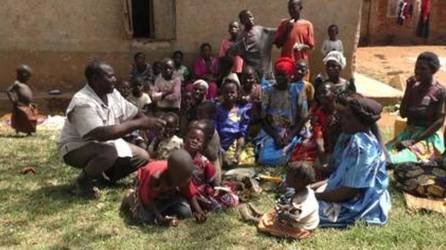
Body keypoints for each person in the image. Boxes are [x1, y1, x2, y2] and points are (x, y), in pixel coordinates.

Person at [58, 61, 165, 198]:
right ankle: (83, 183)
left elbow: (134, 112)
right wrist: (138, 124)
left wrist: (151, 124)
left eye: (114, 76)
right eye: (110, 76)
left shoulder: (112, 93)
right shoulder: (83, 101)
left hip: (104, 144)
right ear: (95, 79)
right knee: (108, 152)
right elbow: (100, 134)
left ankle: (103, 176)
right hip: (76, 147)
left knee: (142, 156)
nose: (115, 79)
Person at [315, 94, 391, 227]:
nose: (342, 120)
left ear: (360, 122)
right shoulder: (355, 139)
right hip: (347, 193)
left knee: (303, 211)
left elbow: (348, 192)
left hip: (359, 203)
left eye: (348, 117)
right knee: (297, 197)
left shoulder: (363, 149)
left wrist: (316, 196)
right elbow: (339, 176)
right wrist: (310, 188)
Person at [386, 52, 446, 165]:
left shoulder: (440, 91)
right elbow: (403, 114)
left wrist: (414, 141)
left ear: (433, 70)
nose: (417, 71)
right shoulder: (413, 88)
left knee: (396, 160)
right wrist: (408, 90)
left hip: (427, 137)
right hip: (408, 133)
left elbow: (439, 121)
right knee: (382, 155)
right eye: (416, 68)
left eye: (423, 69)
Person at [121, 150, 205, 225]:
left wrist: (199, 211)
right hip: (145, 194)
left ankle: (164, 213)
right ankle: (130, 197)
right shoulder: (155, 178)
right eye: (184, 178)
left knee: (186, 212)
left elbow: (190, 194)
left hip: (165, 196)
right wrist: (159, 217)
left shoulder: (183, 176)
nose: (187, 181)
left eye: (189, 177)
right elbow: (147, 199)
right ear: (171, 173)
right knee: (146, 219)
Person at [240, 163, 319, 239]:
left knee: (273, 223)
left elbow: (295, 217)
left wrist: (283, 215)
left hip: (302, 229)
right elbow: (296, 210)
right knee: (276, 211)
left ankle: (251, 218)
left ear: (297, 181)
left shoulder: (298, 200)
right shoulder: (305, 190)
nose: (285, 177)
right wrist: (285, 208)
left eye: (288, 175)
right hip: (304, 221)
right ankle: (260, 214)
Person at [256, 57, 307, 166]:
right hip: (271, 132)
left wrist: (289, 136)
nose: (279, 78)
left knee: (292, 155)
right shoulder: (268, 91)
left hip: (291, 131)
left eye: (283, 75)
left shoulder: (297, 90)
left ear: (290, 75)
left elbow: (303, 117)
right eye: (277, 74)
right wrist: (275, 136)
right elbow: (263, 118)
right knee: (265, 158)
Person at [291, 82, 340, 178]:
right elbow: (319, 140)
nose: (321, 96)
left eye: (325, 92)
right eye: (319, 93)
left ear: (335, 94)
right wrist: (324, 161)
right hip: (325, 145)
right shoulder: (318, 113)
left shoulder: (341, 113)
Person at [184, 128, 239, 211]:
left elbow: (211, 179)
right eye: (192, 138)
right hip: (185, 192)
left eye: (198, 140)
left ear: (202, 145)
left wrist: (216, 190)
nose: (194, 141)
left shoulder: (203, 161)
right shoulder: (179, 157)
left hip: (201, 191)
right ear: (185, 138)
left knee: (227, 200)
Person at [228, 10, 276, 80]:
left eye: (251, 16)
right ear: (242, 22)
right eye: (246, 18)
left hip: (267, 72)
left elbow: (277, 33)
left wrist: (286, 25)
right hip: (253, 74)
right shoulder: (241, 37)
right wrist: (243, 55)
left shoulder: (261, 30)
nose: (250, 19)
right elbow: (230, 53)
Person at [215, 80, 252, 166]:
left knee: (246, 161)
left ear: (237, 93)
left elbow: (241, 134)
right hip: (219, 145)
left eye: (232, 92)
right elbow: (214, 134)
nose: (229, 95)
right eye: (226, 92)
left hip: (235, 145)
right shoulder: (218, 110)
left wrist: (238, 152)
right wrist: (222, 153)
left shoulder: (242, 110)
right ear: (222, 94)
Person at [6, 65, 39, 136]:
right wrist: (13, 99)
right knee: (24, 118)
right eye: (27, 76)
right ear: (21, 75)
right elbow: (9, 90)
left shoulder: (24, 84)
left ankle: (29, 131)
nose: (28, 78)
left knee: (31, 118)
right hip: (21, 105)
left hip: (27, 105)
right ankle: (21, 130)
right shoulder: (17, 83)